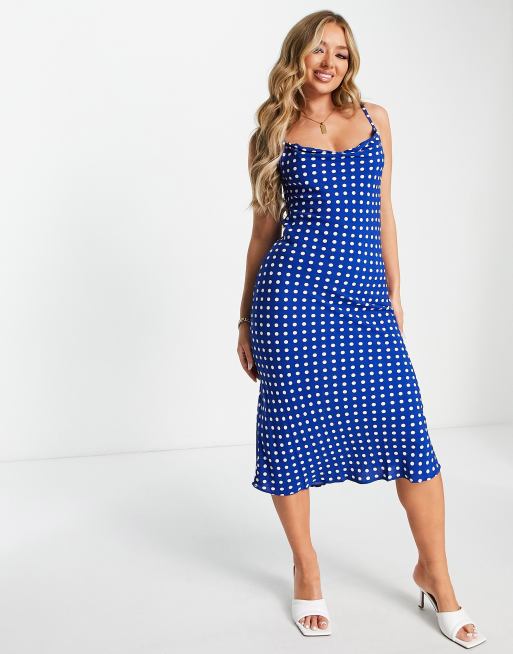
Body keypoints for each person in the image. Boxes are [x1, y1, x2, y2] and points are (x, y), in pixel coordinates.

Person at [237, 9, 486, 647]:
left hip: (365, 299)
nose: (330, 62)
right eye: (319, 50)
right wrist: (244, 317)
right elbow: (262, 233)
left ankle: (436, 573)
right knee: (291, 434)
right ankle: (306, 567)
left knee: (409, 434)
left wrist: (395, 293)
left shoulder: (375, 118)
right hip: (292, 300)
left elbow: (383, 209)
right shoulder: (272, 131)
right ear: (297, 55)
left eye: (341, 53)